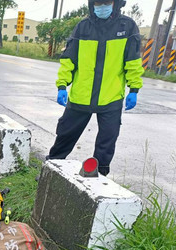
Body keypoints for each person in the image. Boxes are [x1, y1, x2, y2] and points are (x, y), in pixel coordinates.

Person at [48, 0, 144, 176]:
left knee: (107, 142)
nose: (102, 7)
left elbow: (133, 62)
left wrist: (134, 89)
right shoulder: (82, 27)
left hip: (111, 96)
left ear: (115, 3)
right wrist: (62, 85)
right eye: (98, 3)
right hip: (81, 95)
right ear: (92, 4)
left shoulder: (127, 27)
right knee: (65, 136)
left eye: (106, 3)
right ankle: (51, 169)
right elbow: (69, 60)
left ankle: (99, 177)